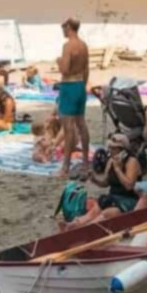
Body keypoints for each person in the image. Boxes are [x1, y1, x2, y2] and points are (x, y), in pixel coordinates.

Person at [56, 17, 91, 177]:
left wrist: (59, 61)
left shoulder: (68, 45)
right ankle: (85, 163)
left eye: (64, 27)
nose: (63, 30)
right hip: (80, 85)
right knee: (81, 124)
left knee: (68, 128)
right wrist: (82, 86)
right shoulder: (83, 45)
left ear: (69, 27)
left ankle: (65, 167)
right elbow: (86, 69)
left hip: (69, 86)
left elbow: (65, 69)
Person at [83, 133, 144, 222]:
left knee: (105, 214)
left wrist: (118, 169)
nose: (111, 151)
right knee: (94, 211)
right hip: (113, 197)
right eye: (110, 147)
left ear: (123, 151)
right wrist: (94, 179)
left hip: (129, 199)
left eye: (114, 148)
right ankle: (75, 224)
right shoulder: (111, 161)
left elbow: (129, 186)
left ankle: (87, 229)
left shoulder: (132, 162)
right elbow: (106, 182)